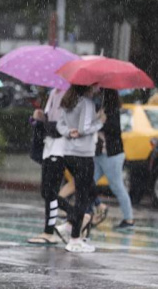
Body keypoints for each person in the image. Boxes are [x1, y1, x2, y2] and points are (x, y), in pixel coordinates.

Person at [57, 84, 105, 253]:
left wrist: (69, 132)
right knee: (82, 198)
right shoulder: (87, 103)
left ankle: (71, 228)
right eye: (94, 86)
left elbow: (60, 125)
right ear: (88, 87)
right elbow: (85, 129)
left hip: (68, 153)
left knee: (82, 193)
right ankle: (75, 238)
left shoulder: (68, 101)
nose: (97, 89)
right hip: (84, 154)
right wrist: (99, 122)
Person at [27, 88, 75, 244]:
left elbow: (62, 127)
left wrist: (43, 123)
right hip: (49, 149)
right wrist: (38, 119)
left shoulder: (67, 93)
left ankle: (72, 219)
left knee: (51, 191)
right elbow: (49, 122)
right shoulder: (54, 92)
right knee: (46, 192)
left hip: (59, 149)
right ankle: (76, 216)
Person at [92, 89, 135, 230]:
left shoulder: (112, 109)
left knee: (117, 186)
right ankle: (90, 211)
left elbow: (114, 129)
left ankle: (129, 219)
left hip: (112, 155)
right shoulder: (101, 107)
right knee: (87, 183)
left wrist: (101, 122)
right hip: (100, 154)